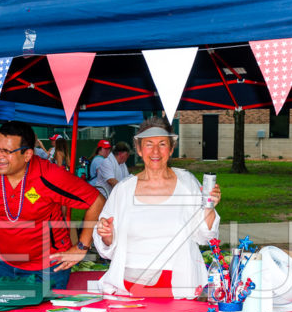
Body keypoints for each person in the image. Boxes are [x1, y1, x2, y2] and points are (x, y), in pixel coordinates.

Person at [0, 121, 104, 290]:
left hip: (48, 269)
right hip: (5, 264)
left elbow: (97, 201)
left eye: (7, 151)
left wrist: (82, 246)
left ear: (27, 155)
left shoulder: (50, 176)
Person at [93, 117, 220, 298]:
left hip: (176, 288)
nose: (155, 151)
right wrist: (107, 235)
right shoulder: (123, 190)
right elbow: (106, 247)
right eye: (148, 144)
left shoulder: (187, 183)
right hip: (129, 290)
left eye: (162, 144)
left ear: (171, 148)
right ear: (138, 148)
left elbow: (205, 237)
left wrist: (209, 207)